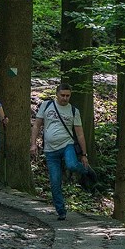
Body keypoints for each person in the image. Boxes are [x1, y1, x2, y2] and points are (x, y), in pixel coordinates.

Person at [29, 82, 97, 221]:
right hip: (50, 150)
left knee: (72, 165)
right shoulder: (46, 106)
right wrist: (33, 144)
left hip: (67, 145)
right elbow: (36, 125)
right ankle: (61, 211)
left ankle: (86, 170)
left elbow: (80, 134)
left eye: (68, 96)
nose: (65, 98)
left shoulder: (73, 111)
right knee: (55, 182)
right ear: (57, 94)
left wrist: (84, 155)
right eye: (62, 95)